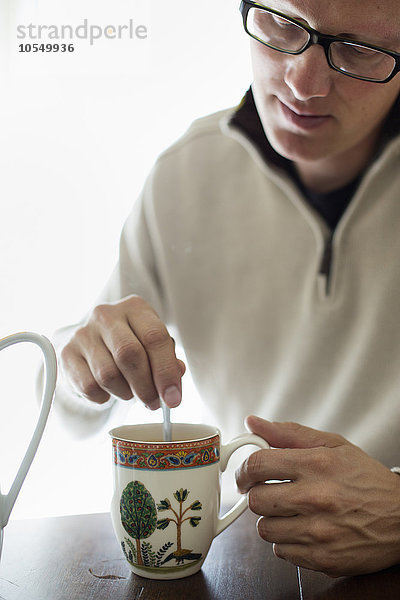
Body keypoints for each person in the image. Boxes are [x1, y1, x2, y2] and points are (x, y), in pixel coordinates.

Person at [55, 0, 400, 577]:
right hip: (244, 558)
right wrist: (79, 364)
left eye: (360, 48)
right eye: (284, 25)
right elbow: (77, 409)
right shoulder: (185, 176)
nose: (304, 83)